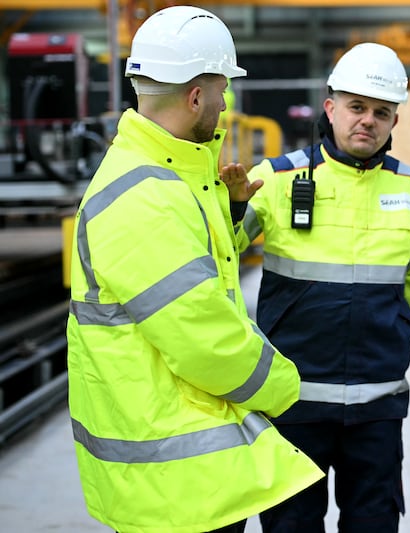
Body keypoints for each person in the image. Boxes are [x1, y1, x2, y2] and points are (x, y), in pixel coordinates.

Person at [66, 6, 323, 533]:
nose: (226, 104)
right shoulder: (144, 196)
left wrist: (229, 212)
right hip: (171, 473)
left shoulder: (174, 173)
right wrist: (282, 387)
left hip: (181, 459)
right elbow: (200, 333)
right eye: (222, 90)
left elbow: (200, 276)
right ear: (196, 95)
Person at [224, 42, 410, 532]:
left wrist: (385, 316)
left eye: (381, 112)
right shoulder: (276, 180)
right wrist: (232, 207)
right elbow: (223, 251)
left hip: (377, 402)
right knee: (291, 525)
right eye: (356, 107)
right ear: (331, 108)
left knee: (374, 522)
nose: (367, 120)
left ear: (394, 121)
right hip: (292, 401)